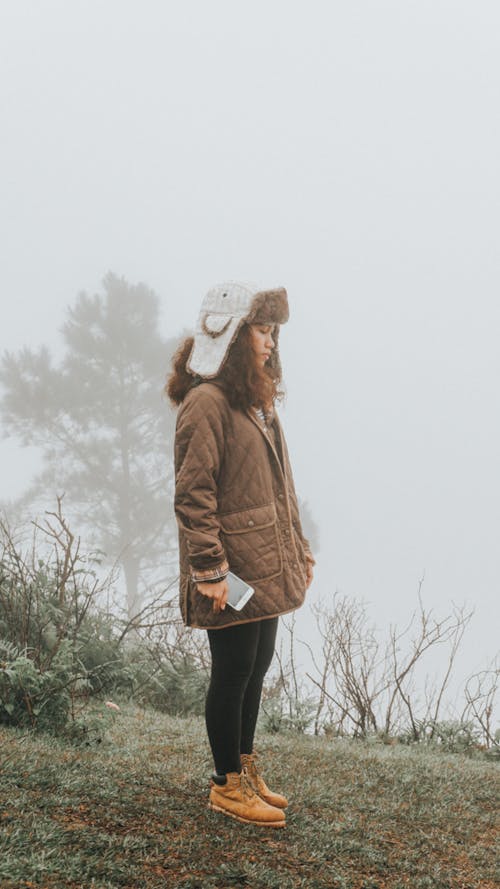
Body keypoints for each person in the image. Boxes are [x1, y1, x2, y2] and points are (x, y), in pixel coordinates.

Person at [166, 282, 314, 828]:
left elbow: (279, 487)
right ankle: (226, 784)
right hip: (229, 569)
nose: (271, 342)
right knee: (232, 672)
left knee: (256, 668)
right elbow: (193, 492)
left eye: (273, 331)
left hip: (265, 562)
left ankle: (246, 768)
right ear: (230, 334)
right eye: (261, 330)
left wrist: (296, 548)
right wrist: (207, 569)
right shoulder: (205, 402)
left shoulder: (254, 399)